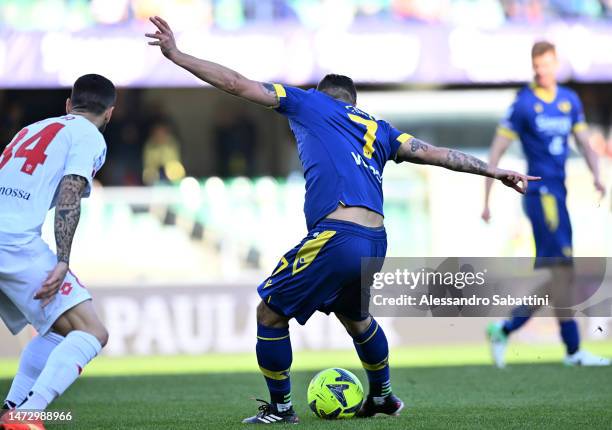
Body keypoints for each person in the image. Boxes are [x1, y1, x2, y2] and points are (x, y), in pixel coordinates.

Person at [146, 16, 537, 424]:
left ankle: (281, 410)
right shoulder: (381, 129)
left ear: (324, 96)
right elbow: (436, 153)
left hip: (337, 235)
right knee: (358, 319)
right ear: (354, 101)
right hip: (375, 240)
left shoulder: (309, 103)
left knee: (269, 313)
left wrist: (176, 55)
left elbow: (235, 83)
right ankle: (383, 398)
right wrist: (495, 172)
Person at [482, 41, 610, 367]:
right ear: (533, 67)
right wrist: (487, 198)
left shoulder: (569, 100)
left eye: (547, 64)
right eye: (537, 65)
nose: (543, 70)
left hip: (561, 195)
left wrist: (597, 175)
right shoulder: (523, 104)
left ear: (556, 64)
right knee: (563, 272)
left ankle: (504, 329)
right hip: (540, 197)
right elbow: (495, 153)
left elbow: (583, 141)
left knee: (558, 279)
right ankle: (573, 351)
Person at [0, 74, 115, 427]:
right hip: (14, 242)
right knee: (92, 331)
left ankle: (13, 408)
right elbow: (70, 192)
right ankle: (27, 416)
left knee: (56, 327)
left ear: (69, 105)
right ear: (109, 114)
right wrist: (63, 260)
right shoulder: (89, 136)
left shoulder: (31, 130)